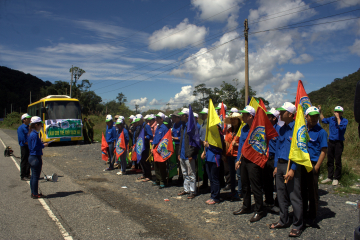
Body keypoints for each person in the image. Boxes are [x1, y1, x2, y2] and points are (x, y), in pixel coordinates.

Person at [270, 102, 303, 238]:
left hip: (291, 166)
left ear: (290, 114)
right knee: (281, 194)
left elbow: (299, 150)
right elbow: (278, 148)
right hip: (281, 164)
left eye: (283, 112)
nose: (280, 114)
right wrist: (277, 166)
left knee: (294, 196)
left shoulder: (297, 129)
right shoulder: (281, 129)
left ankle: (297, 224)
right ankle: (283, 220)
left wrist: (293, 169)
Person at [233, 106, 265, 223]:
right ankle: (246, 206)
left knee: (255, 186)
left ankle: (259, 210)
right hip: (244, 160)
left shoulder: (258, 129)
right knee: (245, 184)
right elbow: (241, 145)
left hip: (254, 161)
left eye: (245, 114)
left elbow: (262, 146)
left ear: (251, 116)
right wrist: (238, 159)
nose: (242, 116)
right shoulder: (244, 128)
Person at [302, 106, 327, 223]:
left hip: (313, 163)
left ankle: (312, 215)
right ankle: (302, 212)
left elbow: (323, 150)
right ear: (306, 117)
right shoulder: (302, 130)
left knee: (312, 190)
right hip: (302, 163)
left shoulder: (321, 132)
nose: (314, 119)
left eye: (316, 116)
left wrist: (317, 166)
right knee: (302, 189)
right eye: (311, 116)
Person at [319, 105, 348, 186]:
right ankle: (329, 177)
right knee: (330, 160)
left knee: (337, 160)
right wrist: (320, 112)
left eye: (339, 112)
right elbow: (323, 120)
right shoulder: (331, 119)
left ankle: (336, 178)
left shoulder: (344, 120)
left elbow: (341, 128)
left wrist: (338, 118)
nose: (337, 113)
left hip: (339, 143)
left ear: (342, 113)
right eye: (336, 112)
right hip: (331, 142)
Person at [177, 108, 200, 199]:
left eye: (182, 115)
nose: (180, 116)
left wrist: (191, 154)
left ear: (186, 116)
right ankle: (186, 189)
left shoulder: (192, 127)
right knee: (184, 173)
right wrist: (179, 152)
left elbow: (195, 142)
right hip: (182, 154)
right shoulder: (183, 126)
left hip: (189, 155)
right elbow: (182, 140)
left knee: (191, 174)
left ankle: (192, 191)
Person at [28, 116, 49, 198]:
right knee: (35, 177)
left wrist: (41, 143)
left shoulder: (31, 133)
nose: (41, 126)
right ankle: (35, 193)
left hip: (32, 157)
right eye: (40, 125)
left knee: (33, 176)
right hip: (35, 157)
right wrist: (43, 145)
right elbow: (34, 147)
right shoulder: (34, 134)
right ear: (36, 125)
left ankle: (33, 192)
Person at [202, 128, 224, 205]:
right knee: (210, 178)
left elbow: (219, 150)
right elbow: (207, 147)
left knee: (215, 178)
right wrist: (204, 152)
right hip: (208, 159)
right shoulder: (209, 136)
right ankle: (212, 195)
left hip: (214, 159)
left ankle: (216, 197)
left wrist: (208, 146)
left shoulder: (220, 137)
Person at [264, 108, 281, 208]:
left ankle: (278, 202)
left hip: (275, 158)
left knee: (278, 183)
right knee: (267, 181)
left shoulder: (279, 130)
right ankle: (268, 201)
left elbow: (279, 147)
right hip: (266, 158)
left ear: (274, 118)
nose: (267, 118)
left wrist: (276, 163)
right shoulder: (265, 129)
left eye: (269, 116)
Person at [224, 112, 242, 201]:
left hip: (238, 155)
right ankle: (232, 191)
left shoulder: (242, 130)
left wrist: (237, 144)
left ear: (238, 120)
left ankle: (239, 192)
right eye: (232, 119)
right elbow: (226, 142)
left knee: (239, 174)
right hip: (230, 155)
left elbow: (245, 143)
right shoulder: (229, 130)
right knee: (231, 174)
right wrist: (224, 154)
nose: (233, 120)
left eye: (235, 119)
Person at [133, 114, 153, 181]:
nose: (138, 122)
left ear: (142, 119)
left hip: (145, 146)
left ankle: (148, 175)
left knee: (145, 161)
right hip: (140, 146)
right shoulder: (139, 127)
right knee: (141, 161)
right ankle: (144, 174)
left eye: (139, 121)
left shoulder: (146, 126)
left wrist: (144, 137)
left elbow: (150, 135)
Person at [152, 112, 169, 188]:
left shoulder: (164, 128)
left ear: (161, 119)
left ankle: (163, 180)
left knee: (162, 165)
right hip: (155, 148)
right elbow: (155, 137)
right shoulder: (158, 127)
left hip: (161, 149)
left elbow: (165, 140)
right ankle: (158, 179)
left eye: (158, 118)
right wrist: (153, 146)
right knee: (156, 165)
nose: (156, 119)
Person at [17, 113, 32, 181]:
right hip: (24, 146)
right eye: (28, 118)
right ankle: (23, 175)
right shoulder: (21, 128)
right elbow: (22, 140)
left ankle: (27, 174)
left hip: (29, 145)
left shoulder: (29, 127)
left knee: (29, 160)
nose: (29, 120)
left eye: (29, 118)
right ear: (24, 120)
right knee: (24, 160)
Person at [199, 108, 209, 191]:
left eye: (203, 114)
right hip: (202, 145)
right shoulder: (202, 124)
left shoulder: (208, 125)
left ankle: (207, 184)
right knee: (204, 165)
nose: (202, 115)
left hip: (206, 147)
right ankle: (205, 183)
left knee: (207, 165)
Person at [171, 111, 184, 185]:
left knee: (180, 162)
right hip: (174, 145)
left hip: (179, 144)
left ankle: (181, 177)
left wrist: (174, 138)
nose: (173, 118)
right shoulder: (174, 125)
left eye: (174, 117)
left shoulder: (182, 125)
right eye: (173, 117)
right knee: (175, 161)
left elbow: (181, 137)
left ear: (178, 117)